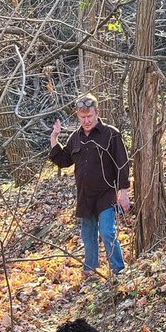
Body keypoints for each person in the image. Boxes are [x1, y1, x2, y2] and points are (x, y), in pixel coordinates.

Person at [49, 93, 131, 278]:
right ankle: (91, 270)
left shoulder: (111, 134)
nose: (86, 121)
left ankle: (119, 270)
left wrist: (124, 192)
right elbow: (63, 160)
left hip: (106, 194)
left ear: (97, 113)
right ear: (78, 116)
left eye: (89, 116)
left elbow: (122, 164)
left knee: (107, 232)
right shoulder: (75, 137)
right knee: (88, 235)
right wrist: (54, 137)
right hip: (85, 196)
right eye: (82, 117)